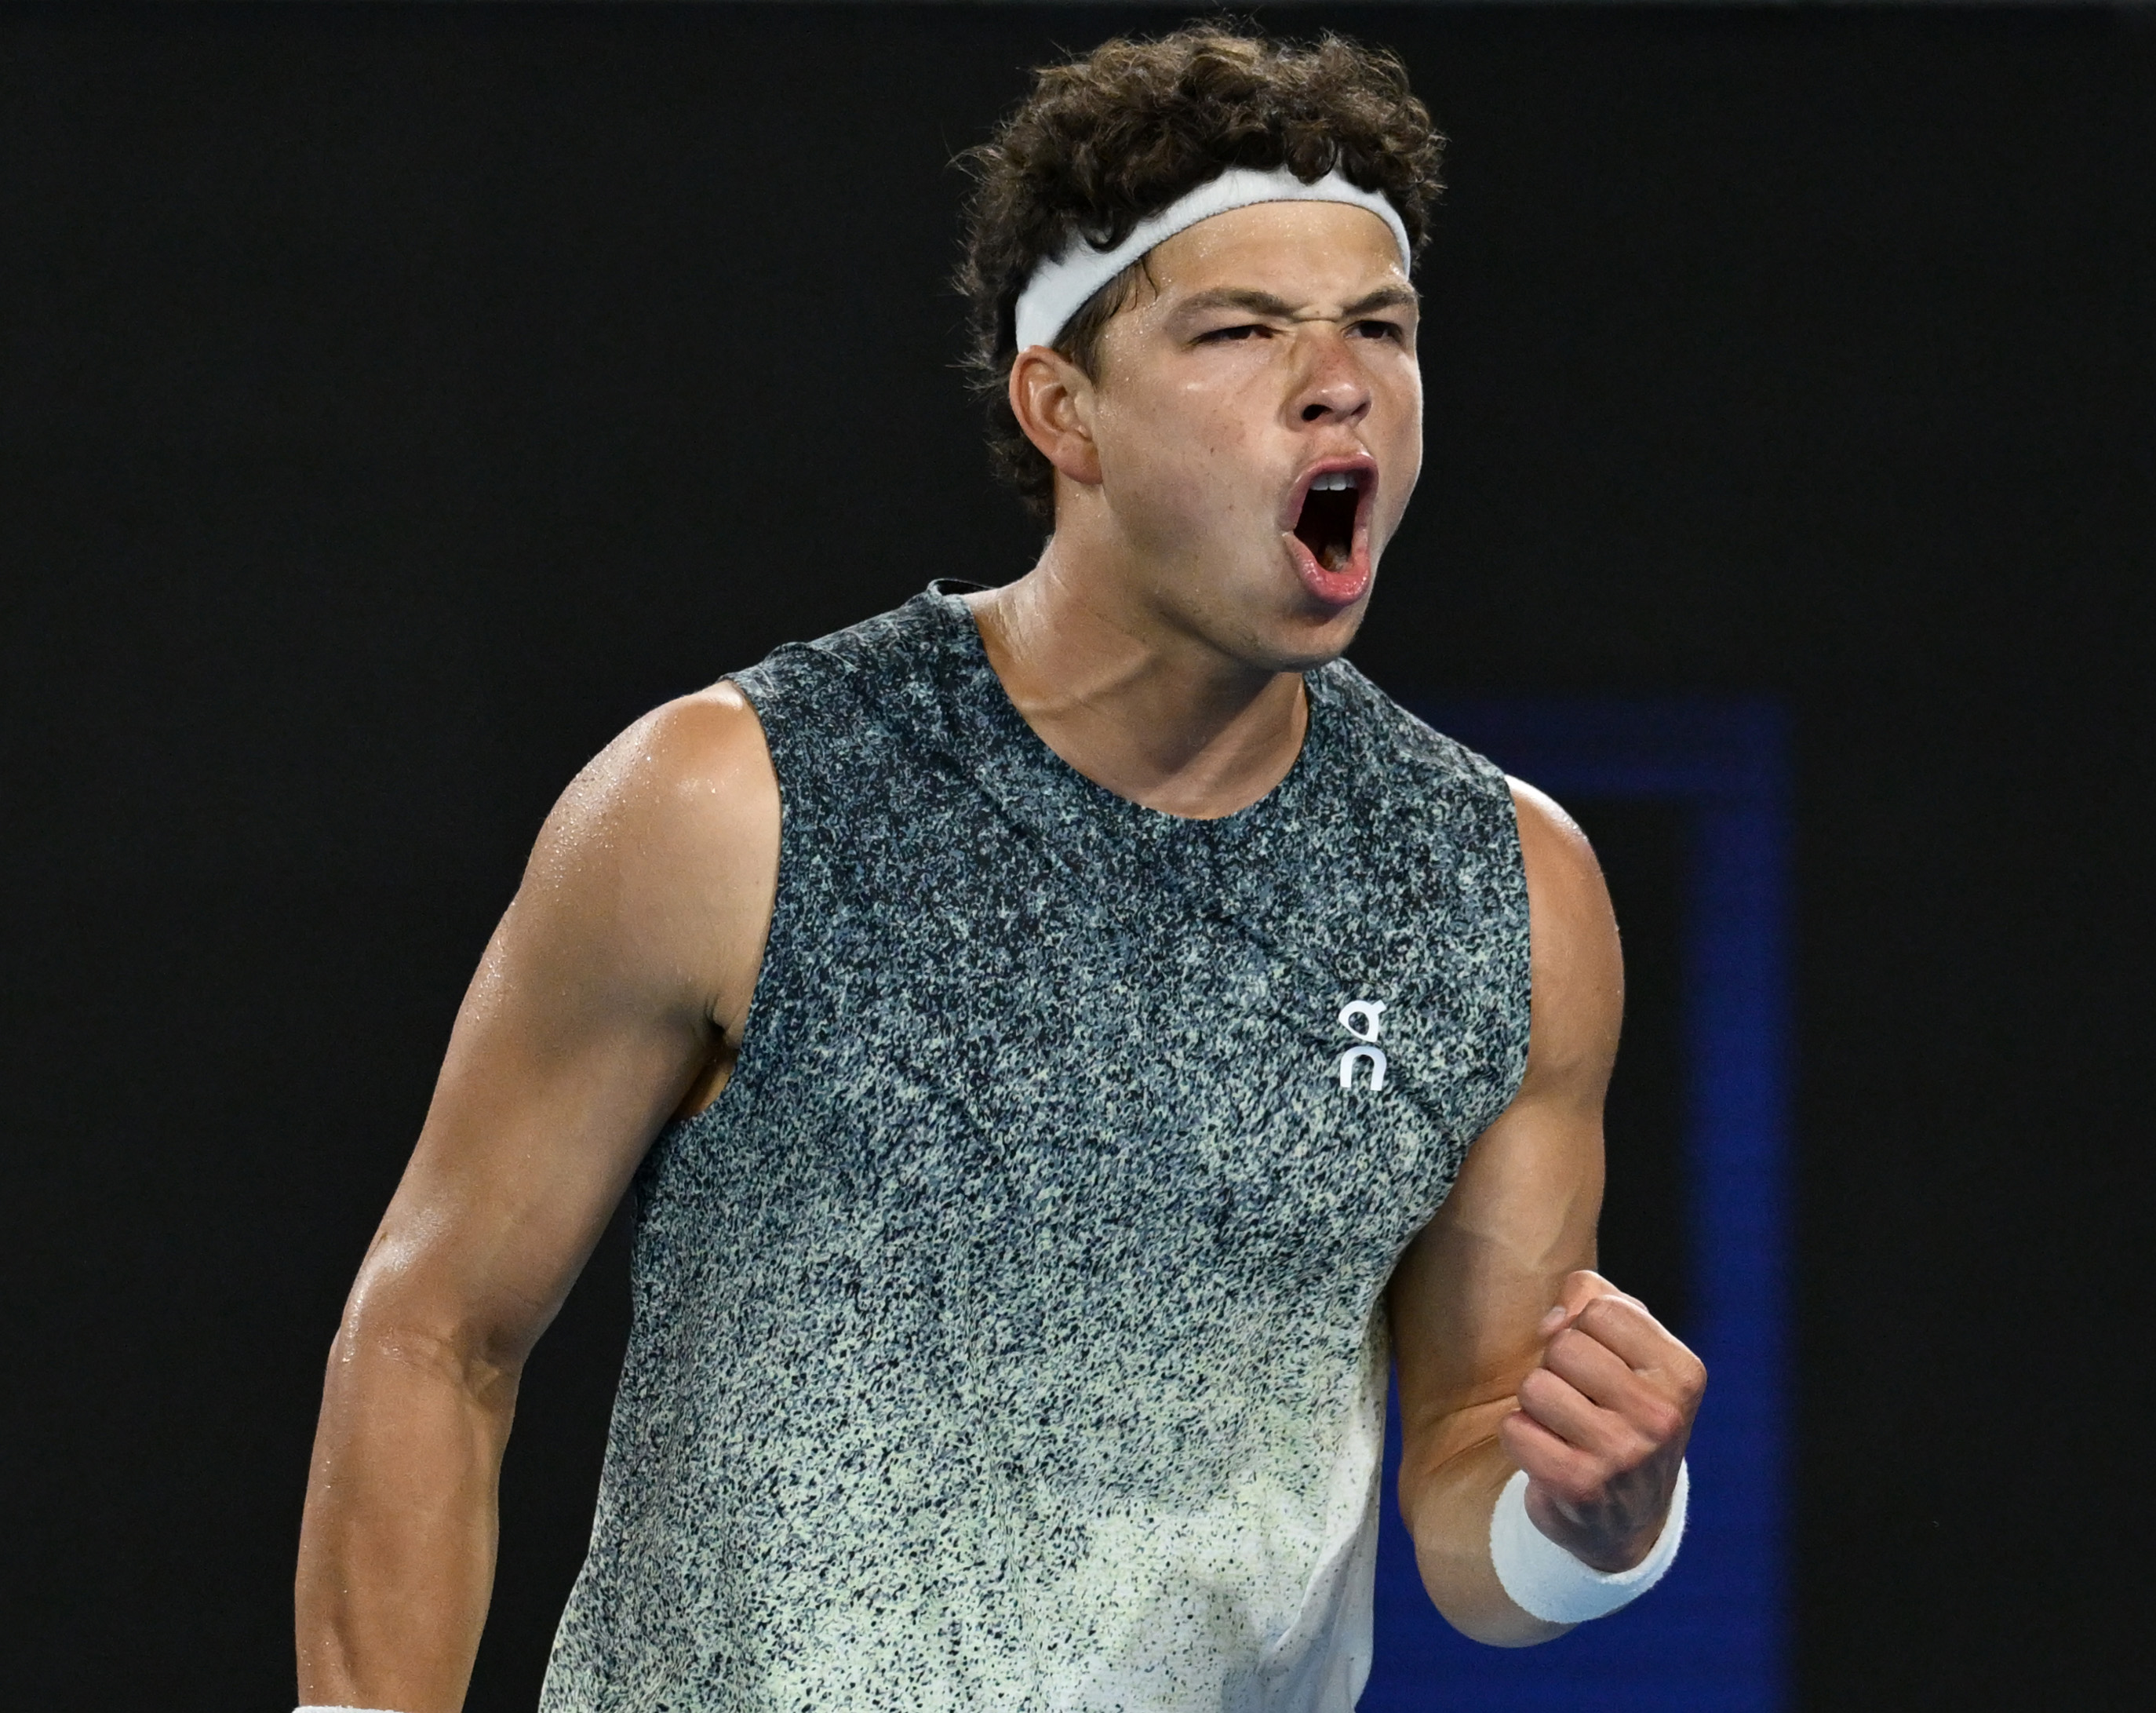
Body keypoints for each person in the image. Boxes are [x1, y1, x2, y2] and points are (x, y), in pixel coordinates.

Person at [293, 25, 1704, 1713]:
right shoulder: (725, 802)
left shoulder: (1507, 893)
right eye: (1242, 328)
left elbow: (1474, 1459)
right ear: (1062, 410)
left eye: (1378, 327)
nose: (1339, 381)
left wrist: (1593, 1522)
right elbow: (435, 1337)